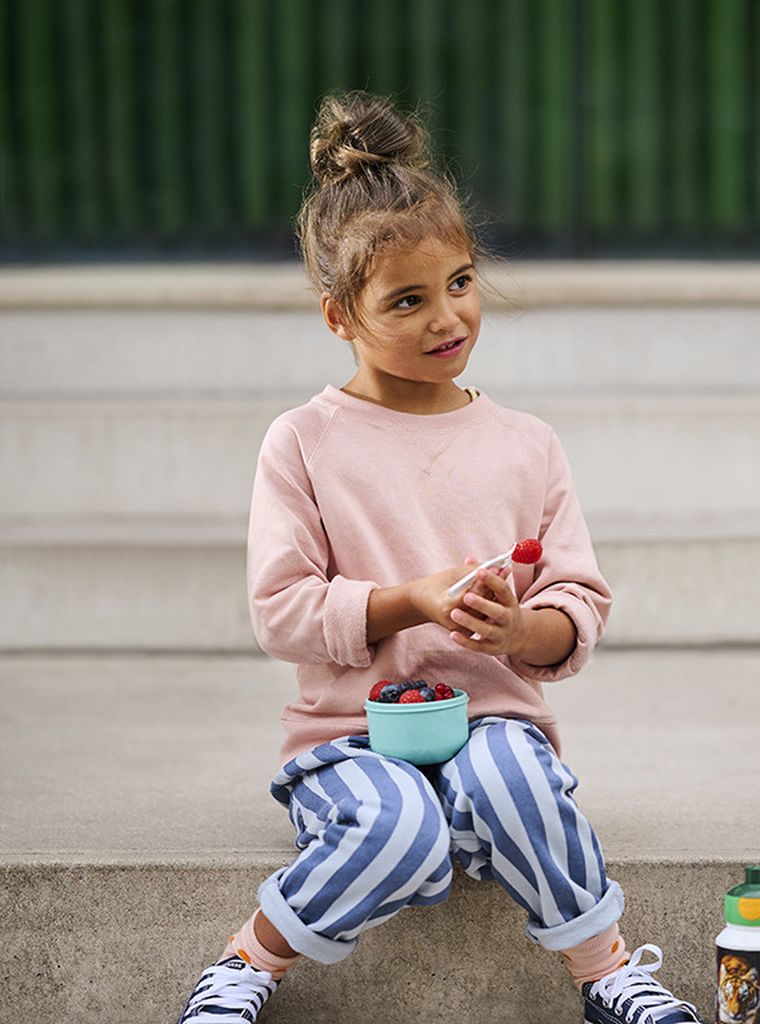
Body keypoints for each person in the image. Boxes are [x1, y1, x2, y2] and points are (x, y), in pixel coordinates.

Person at [176, 91, 703, 1024]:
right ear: (341, 316)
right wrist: (407, 600)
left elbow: (575, 602)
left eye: (459, 282)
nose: (447, 317)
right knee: (401, 830)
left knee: (514, 780)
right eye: (407, 300)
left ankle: (606, 972)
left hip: (491, 721)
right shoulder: (303, 441)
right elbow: (283, 609)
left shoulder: (527, 443)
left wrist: (519, 630)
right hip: (348, 738)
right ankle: (247, 964)